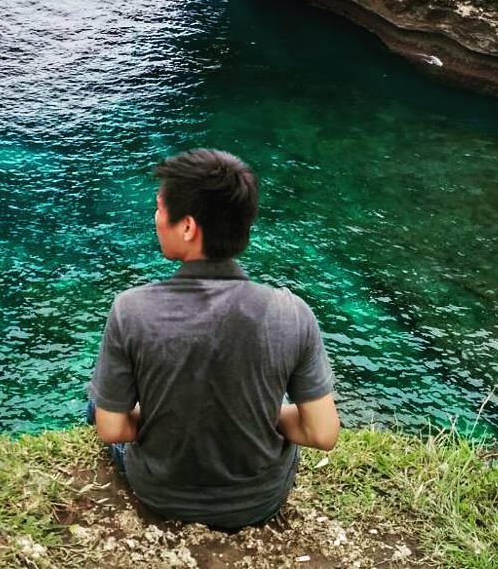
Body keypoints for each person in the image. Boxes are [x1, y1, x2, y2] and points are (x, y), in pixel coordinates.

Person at [86, 148, 339, 530]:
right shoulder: (291, 312)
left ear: (187, 227)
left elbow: (112, 429)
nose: (156, 219)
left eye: (159, 208)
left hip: (160, 493)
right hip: (260, 500)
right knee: (275, 390)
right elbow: (321, 433)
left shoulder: (130, 310)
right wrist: (255, 414)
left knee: (96, 406)